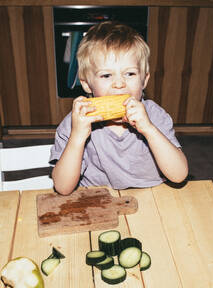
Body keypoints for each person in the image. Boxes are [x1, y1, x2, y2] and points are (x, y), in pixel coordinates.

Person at [50, 21, 188, 195]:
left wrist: (149, 130)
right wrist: (77, 137)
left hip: (153, 196)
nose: (119, 84)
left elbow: (179, 175)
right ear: (86, 84)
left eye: (129, 74)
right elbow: (62, 188)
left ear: (144, 80)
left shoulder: (154, 116)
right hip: (97, 201)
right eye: (106, 75)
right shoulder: (75, 122)